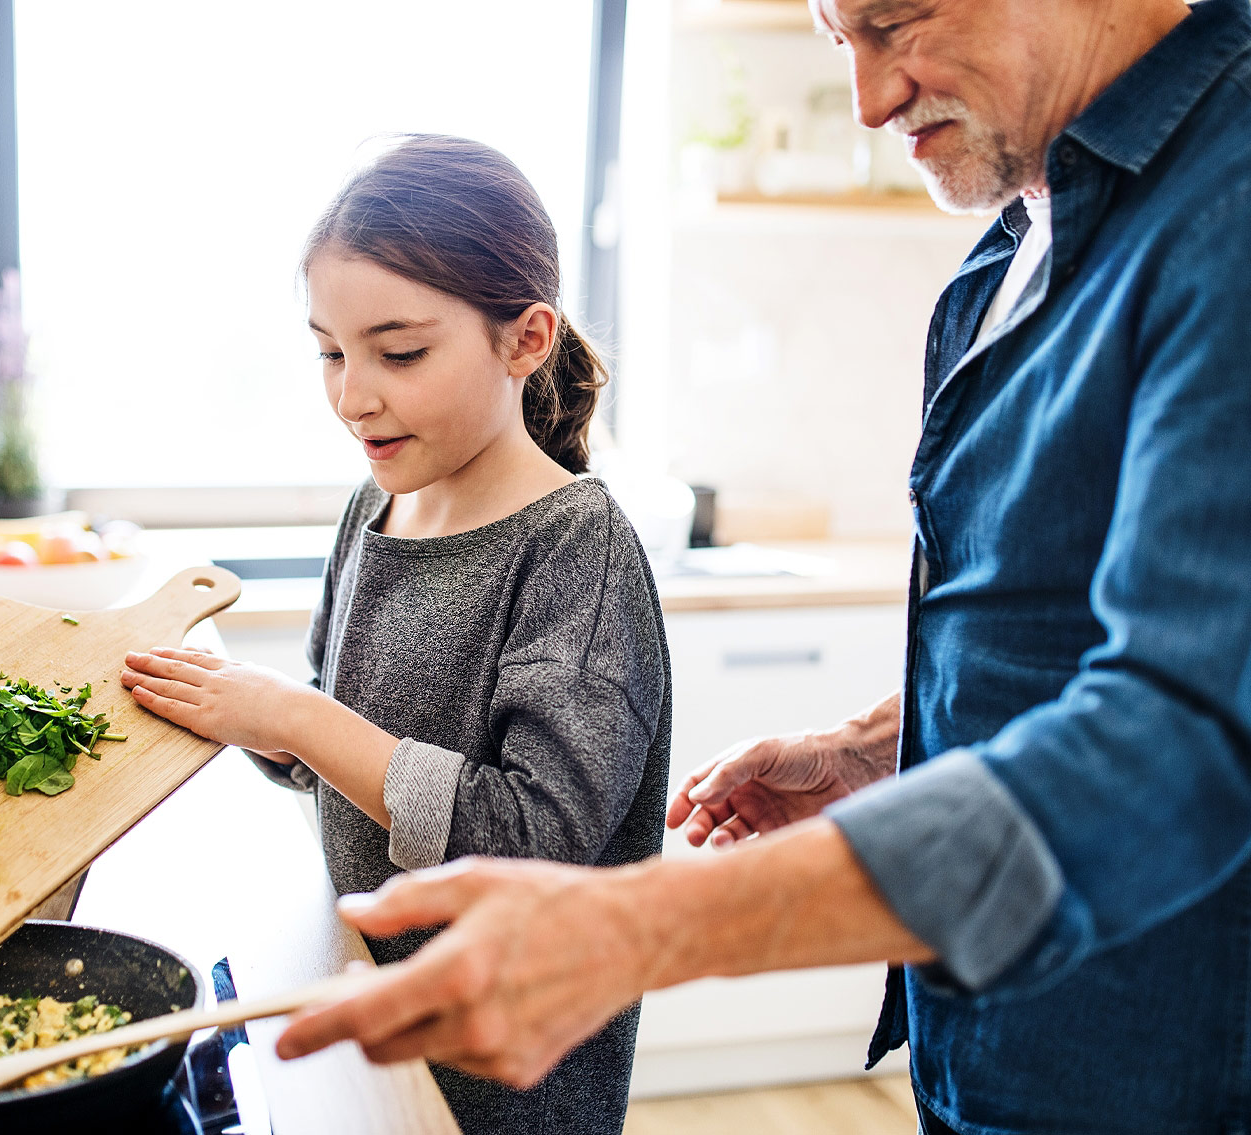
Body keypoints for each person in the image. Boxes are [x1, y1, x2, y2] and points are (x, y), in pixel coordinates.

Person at [268, 1, 1251, 1131]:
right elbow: (1085, 634)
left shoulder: (1230, 209)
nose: (870, 101)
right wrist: (889, 745)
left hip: (1168, 1065)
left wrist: (647, 924)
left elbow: (1183, 742)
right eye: (844, 42)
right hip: (999, 1046)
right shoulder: (1028, 227)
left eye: (899, 20)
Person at [121, 134, 672, 1134]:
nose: (351, 394)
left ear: (527, 339)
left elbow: (531, 837)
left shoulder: (576, 548)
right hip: (372, 1015)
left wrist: (295, 712)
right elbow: (338, 754)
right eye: (329, 351)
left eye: (399, 352)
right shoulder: (372, 511)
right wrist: (242, 712)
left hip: (510, 1075)